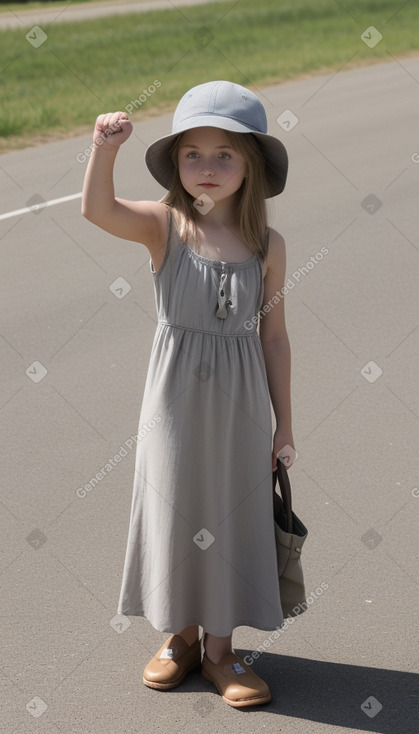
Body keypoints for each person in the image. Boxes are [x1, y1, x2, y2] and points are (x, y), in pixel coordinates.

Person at [82, 80, 295, 708]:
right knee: (177, 511)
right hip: (173, 404)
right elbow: (96, 210)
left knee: (231, 517)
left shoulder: (268, 246)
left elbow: (275, 340)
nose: (207, 167)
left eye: (224, 154)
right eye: (192, 153)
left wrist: (284, 427)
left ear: (251, 164)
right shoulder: (165, 226)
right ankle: (178, 639)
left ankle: (222, 651)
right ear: (175, 162)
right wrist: (104, 148)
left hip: (243, 408)